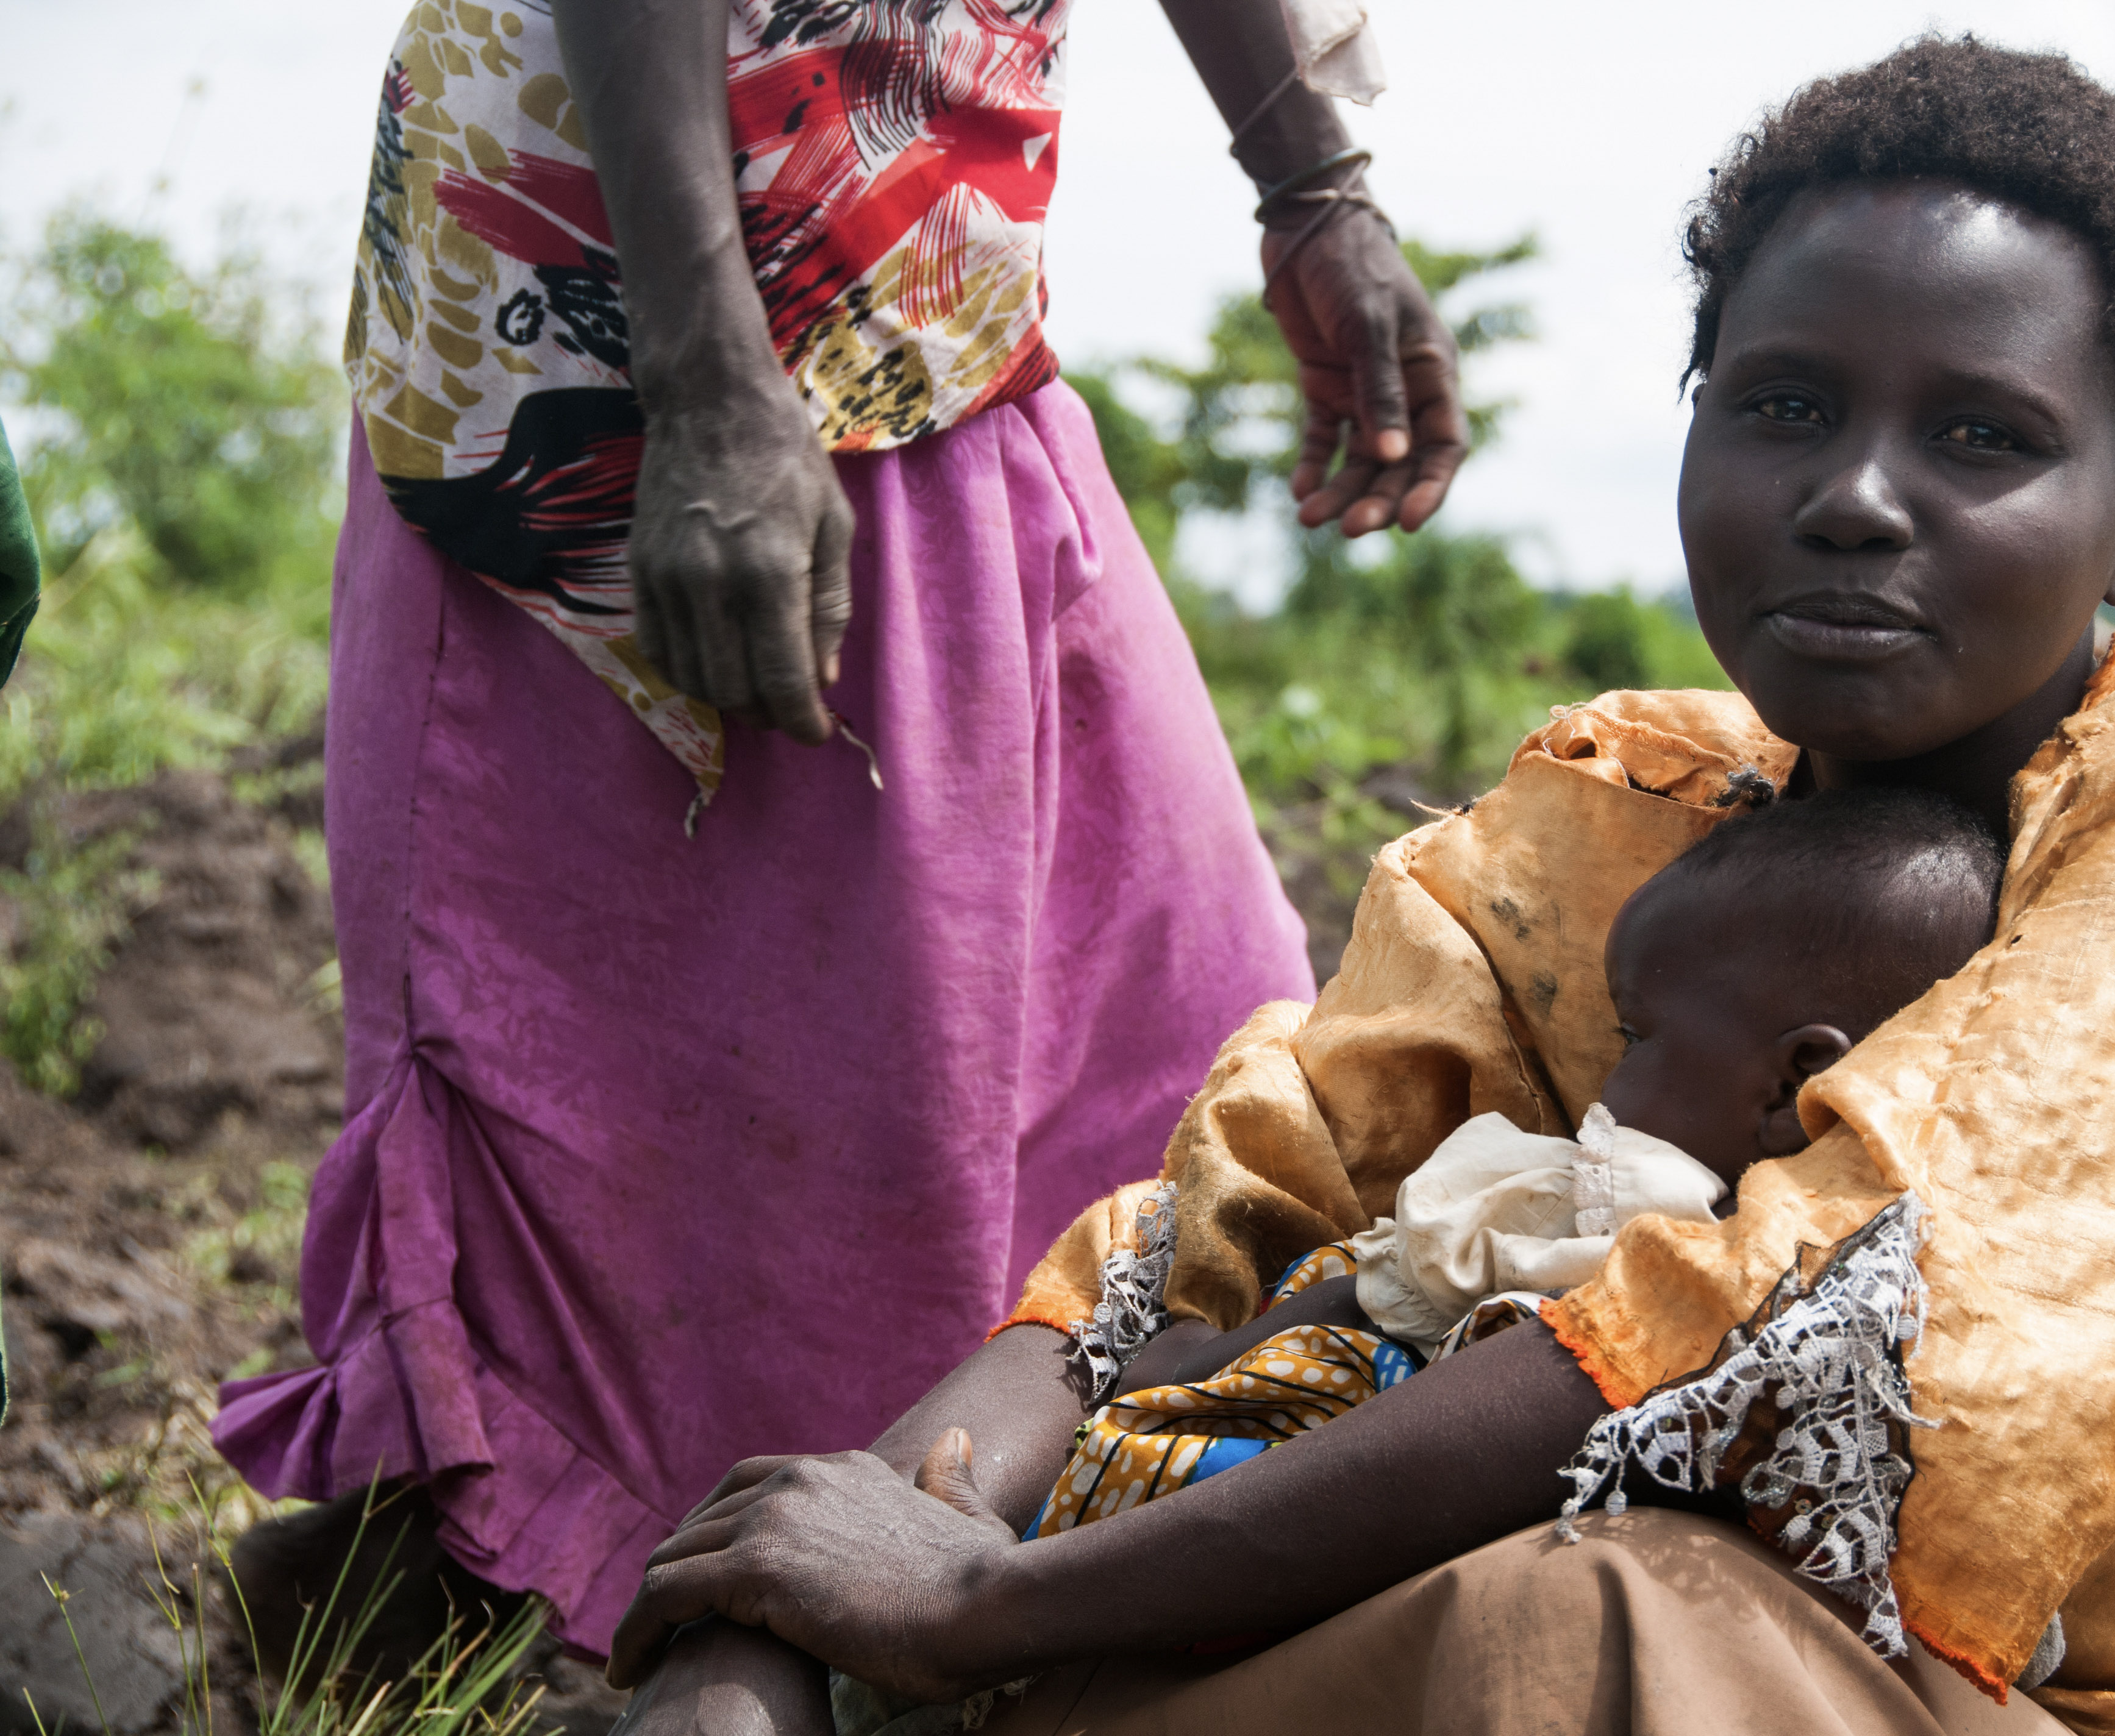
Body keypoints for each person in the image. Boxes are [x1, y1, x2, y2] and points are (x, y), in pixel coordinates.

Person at [596, 38, 2115, 1736]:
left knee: (1577, 1622)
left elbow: (1786, 1340)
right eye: (1781, 402)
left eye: (1980, 436)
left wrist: (964, 1609)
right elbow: (1217, 1229)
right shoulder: (1620, 800)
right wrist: (788, 1607)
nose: (1852, 493)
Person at [213, 0, 1471, 1666]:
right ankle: (549, 1630)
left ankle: (895, 1599)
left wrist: (1317, 182)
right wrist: (711, 378)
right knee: (608, 1126)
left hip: (937, 293)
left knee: (1176, 1044)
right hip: (613, 343)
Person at [1025, 785, 2005, 1545]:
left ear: (1794, 1083)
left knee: (1139, 1468)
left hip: (1341, 1475)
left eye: (1637, 1038)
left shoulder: (1626, 1197)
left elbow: (1393, 1284)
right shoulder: (1865, 1291)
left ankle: (1030, 1571)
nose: (1608, 1080)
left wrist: (1199, 1357)